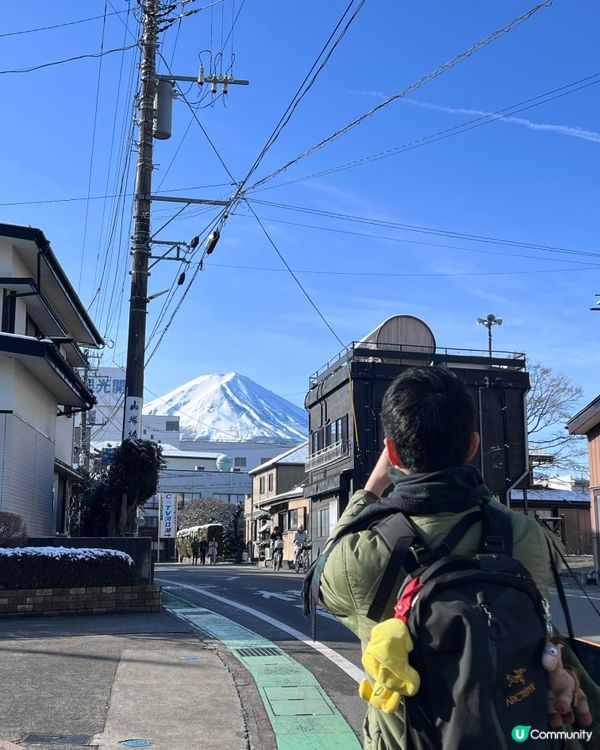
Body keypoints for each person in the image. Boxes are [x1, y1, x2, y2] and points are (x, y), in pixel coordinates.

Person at [318, 366, 598, 750]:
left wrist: (370, 489)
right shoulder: (527, 536)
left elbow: (325, 570)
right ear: (472, 446)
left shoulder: (363, 555)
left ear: (393, 451)